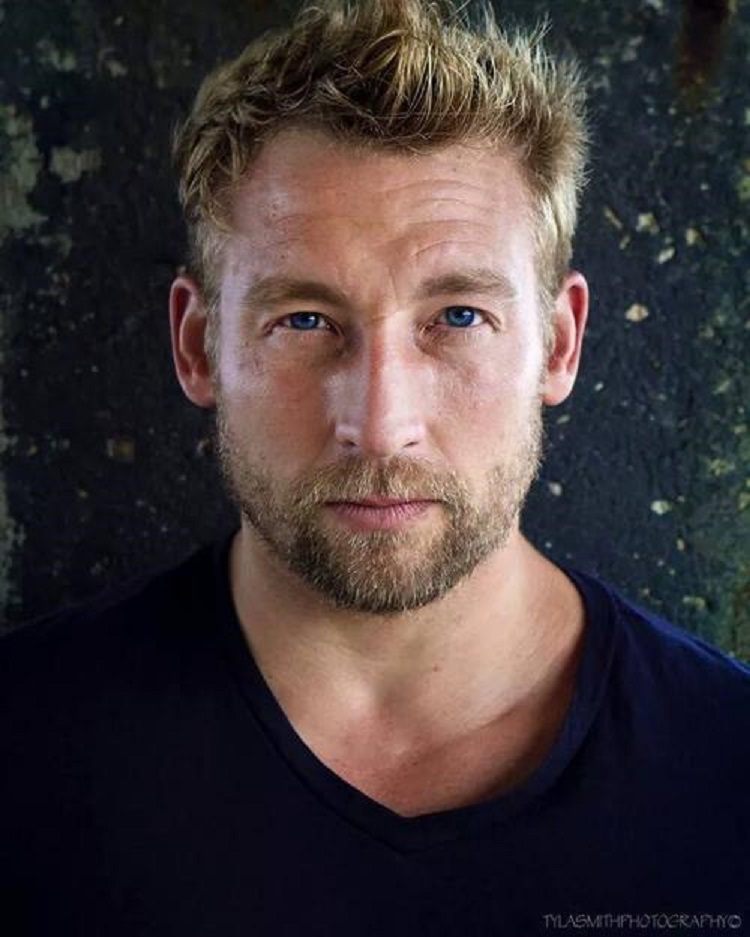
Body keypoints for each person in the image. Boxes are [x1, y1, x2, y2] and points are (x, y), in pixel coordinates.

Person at [2, 1, 749, 934]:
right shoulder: (22, 748)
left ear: (559, 345)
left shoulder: (730, 771)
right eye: (304, 321)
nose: (381, 425)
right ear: (196, 346)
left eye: (459, 318)